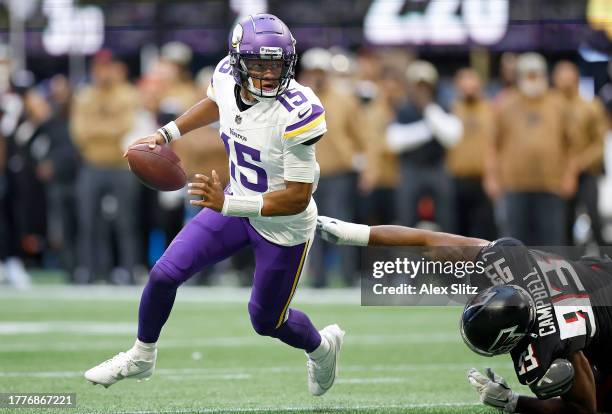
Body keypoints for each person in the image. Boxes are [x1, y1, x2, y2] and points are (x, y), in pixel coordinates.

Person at [84, 14, 344, 396]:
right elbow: (215, 102)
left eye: (275, 64)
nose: (268, 74)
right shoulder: (225, 76)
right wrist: (166, 133)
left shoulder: (299, 110)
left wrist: (227, 204)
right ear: (238, 62)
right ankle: (141, 356)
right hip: (234, 203)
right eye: (257, 64)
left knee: (267, 321)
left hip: (282, 225)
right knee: (164, 273)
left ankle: (322, 349)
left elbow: (296, 197)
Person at [317, 216, 612, 413]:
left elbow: (586, 408)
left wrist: (515, 403)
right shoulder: (507, 261)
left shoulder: (543, 348)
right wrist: (356, 234)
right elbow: (427, 241)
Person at [485, 53, 576, 245]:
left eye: (536, 74)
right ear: (519, 77)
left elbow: (571, 145)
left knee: (551, 245)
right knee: (513, 244)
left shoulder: (558, 104)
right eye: (528, 75)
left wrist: (570, 175)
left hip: (551, 185)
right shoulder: (504, 104)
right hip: (514, 186)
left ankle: (549, 277)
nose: (533, 79)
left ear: (544, 76)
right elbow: (493, 144)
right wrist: (491, 176)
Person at [70, 50, 141, 284]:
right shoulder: (84, 96)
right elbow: (80, 133)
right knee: (87, 221)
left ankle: (130, 270)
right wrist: (107, 129)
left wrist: (97, 129)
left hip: (121, 165)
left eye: (107, 67)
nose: (103, 72)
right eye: (98, 67)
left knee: (126, 222)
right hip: (92, 165)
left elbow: (126, 127)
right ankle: (89, 271)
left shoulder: (127, 94)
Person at [298, 47, 365, 287]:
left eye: (320, 71)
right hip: (305, 173)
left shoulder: (344, 99)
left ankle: (348, 275)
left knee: (342, 225)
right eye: (312, 71)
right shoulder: (298, 99)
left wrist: (362, 163)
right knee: (309, 226)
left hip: (338, 172)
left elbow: (359, 134)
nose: (317, 76)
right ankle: (318, 278)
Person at [387, 60, 462, 232]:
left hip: (437, 168)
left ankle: (446, 256)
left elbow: (452, 138)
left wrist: (430, 110)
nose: (422, 91)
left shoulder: (441, 107)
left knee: (446, 218)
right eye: (417, 86)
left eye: (425, 86)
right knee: (406, 218)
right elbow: (395, 142)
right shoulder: (404, 110)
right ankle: (407, 256)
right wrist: (429, 129)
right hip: (410, 169)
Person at [552, 61, 607, 247]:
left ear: (576, 78)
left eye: (570, 76)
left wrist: (578, 164)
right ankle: (566, 269)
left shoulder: (591, 106)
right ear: (555, 80)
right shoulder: (549, 108)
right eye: (562, 77)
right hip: (557, 174)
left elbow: (599, 144)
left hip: (587, 173)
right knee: (562, 224)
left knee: (595, 220)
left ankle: (606, 266)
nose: (566, 82)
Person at [447, 68, 497, 240]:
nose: (469, 87)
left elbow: (496, 144)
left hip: (483, 179)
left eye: (472, 83)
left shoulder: (490, 110)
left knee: (483, 233)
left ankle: (481, 267)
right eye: (464, 83)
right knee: (456, 233)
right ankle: (458, 268)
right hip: (455, 179)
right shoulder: (450, 110)